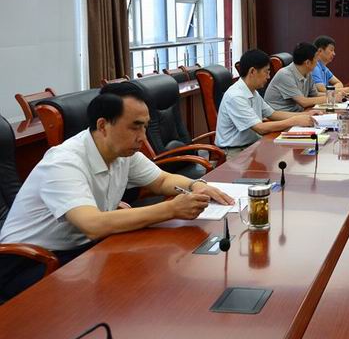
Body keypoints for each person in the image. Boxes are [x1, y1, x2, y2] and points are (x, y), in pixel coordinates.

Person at [0, 82, 234, 301]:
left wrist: (196, 185)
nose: (142, 137)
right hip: (31, 262)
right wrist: (171, 209)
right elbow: (93, 224)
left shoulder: (122, 152)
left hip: (81, 251)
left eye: (145, 126)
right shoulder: (63, 162)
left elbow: (162, 180)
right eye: (135, 127)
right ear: (103, 125)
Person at [216, 49, 318, 159]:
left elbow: (273, 114)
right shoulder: (236, 96)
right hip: (234, 152)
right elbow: (260, 128)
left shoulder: (252, 91)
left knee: (287, 157)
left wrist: (305, 115)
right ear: (252, 71)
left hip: (252, 145)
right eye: (266, 72)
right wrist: (294, 121)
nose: (268, 77)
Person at [264, 42, 344, 112]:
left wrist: (334, 94)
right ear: (308, 63)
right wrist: (331, 98)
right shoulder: (285, 75)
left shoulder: (308, 73)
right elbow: (304, 102)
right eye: (316, 59)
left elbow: (315, 95)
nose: (318, 62)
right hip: (280, 118)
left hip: (298, 113)